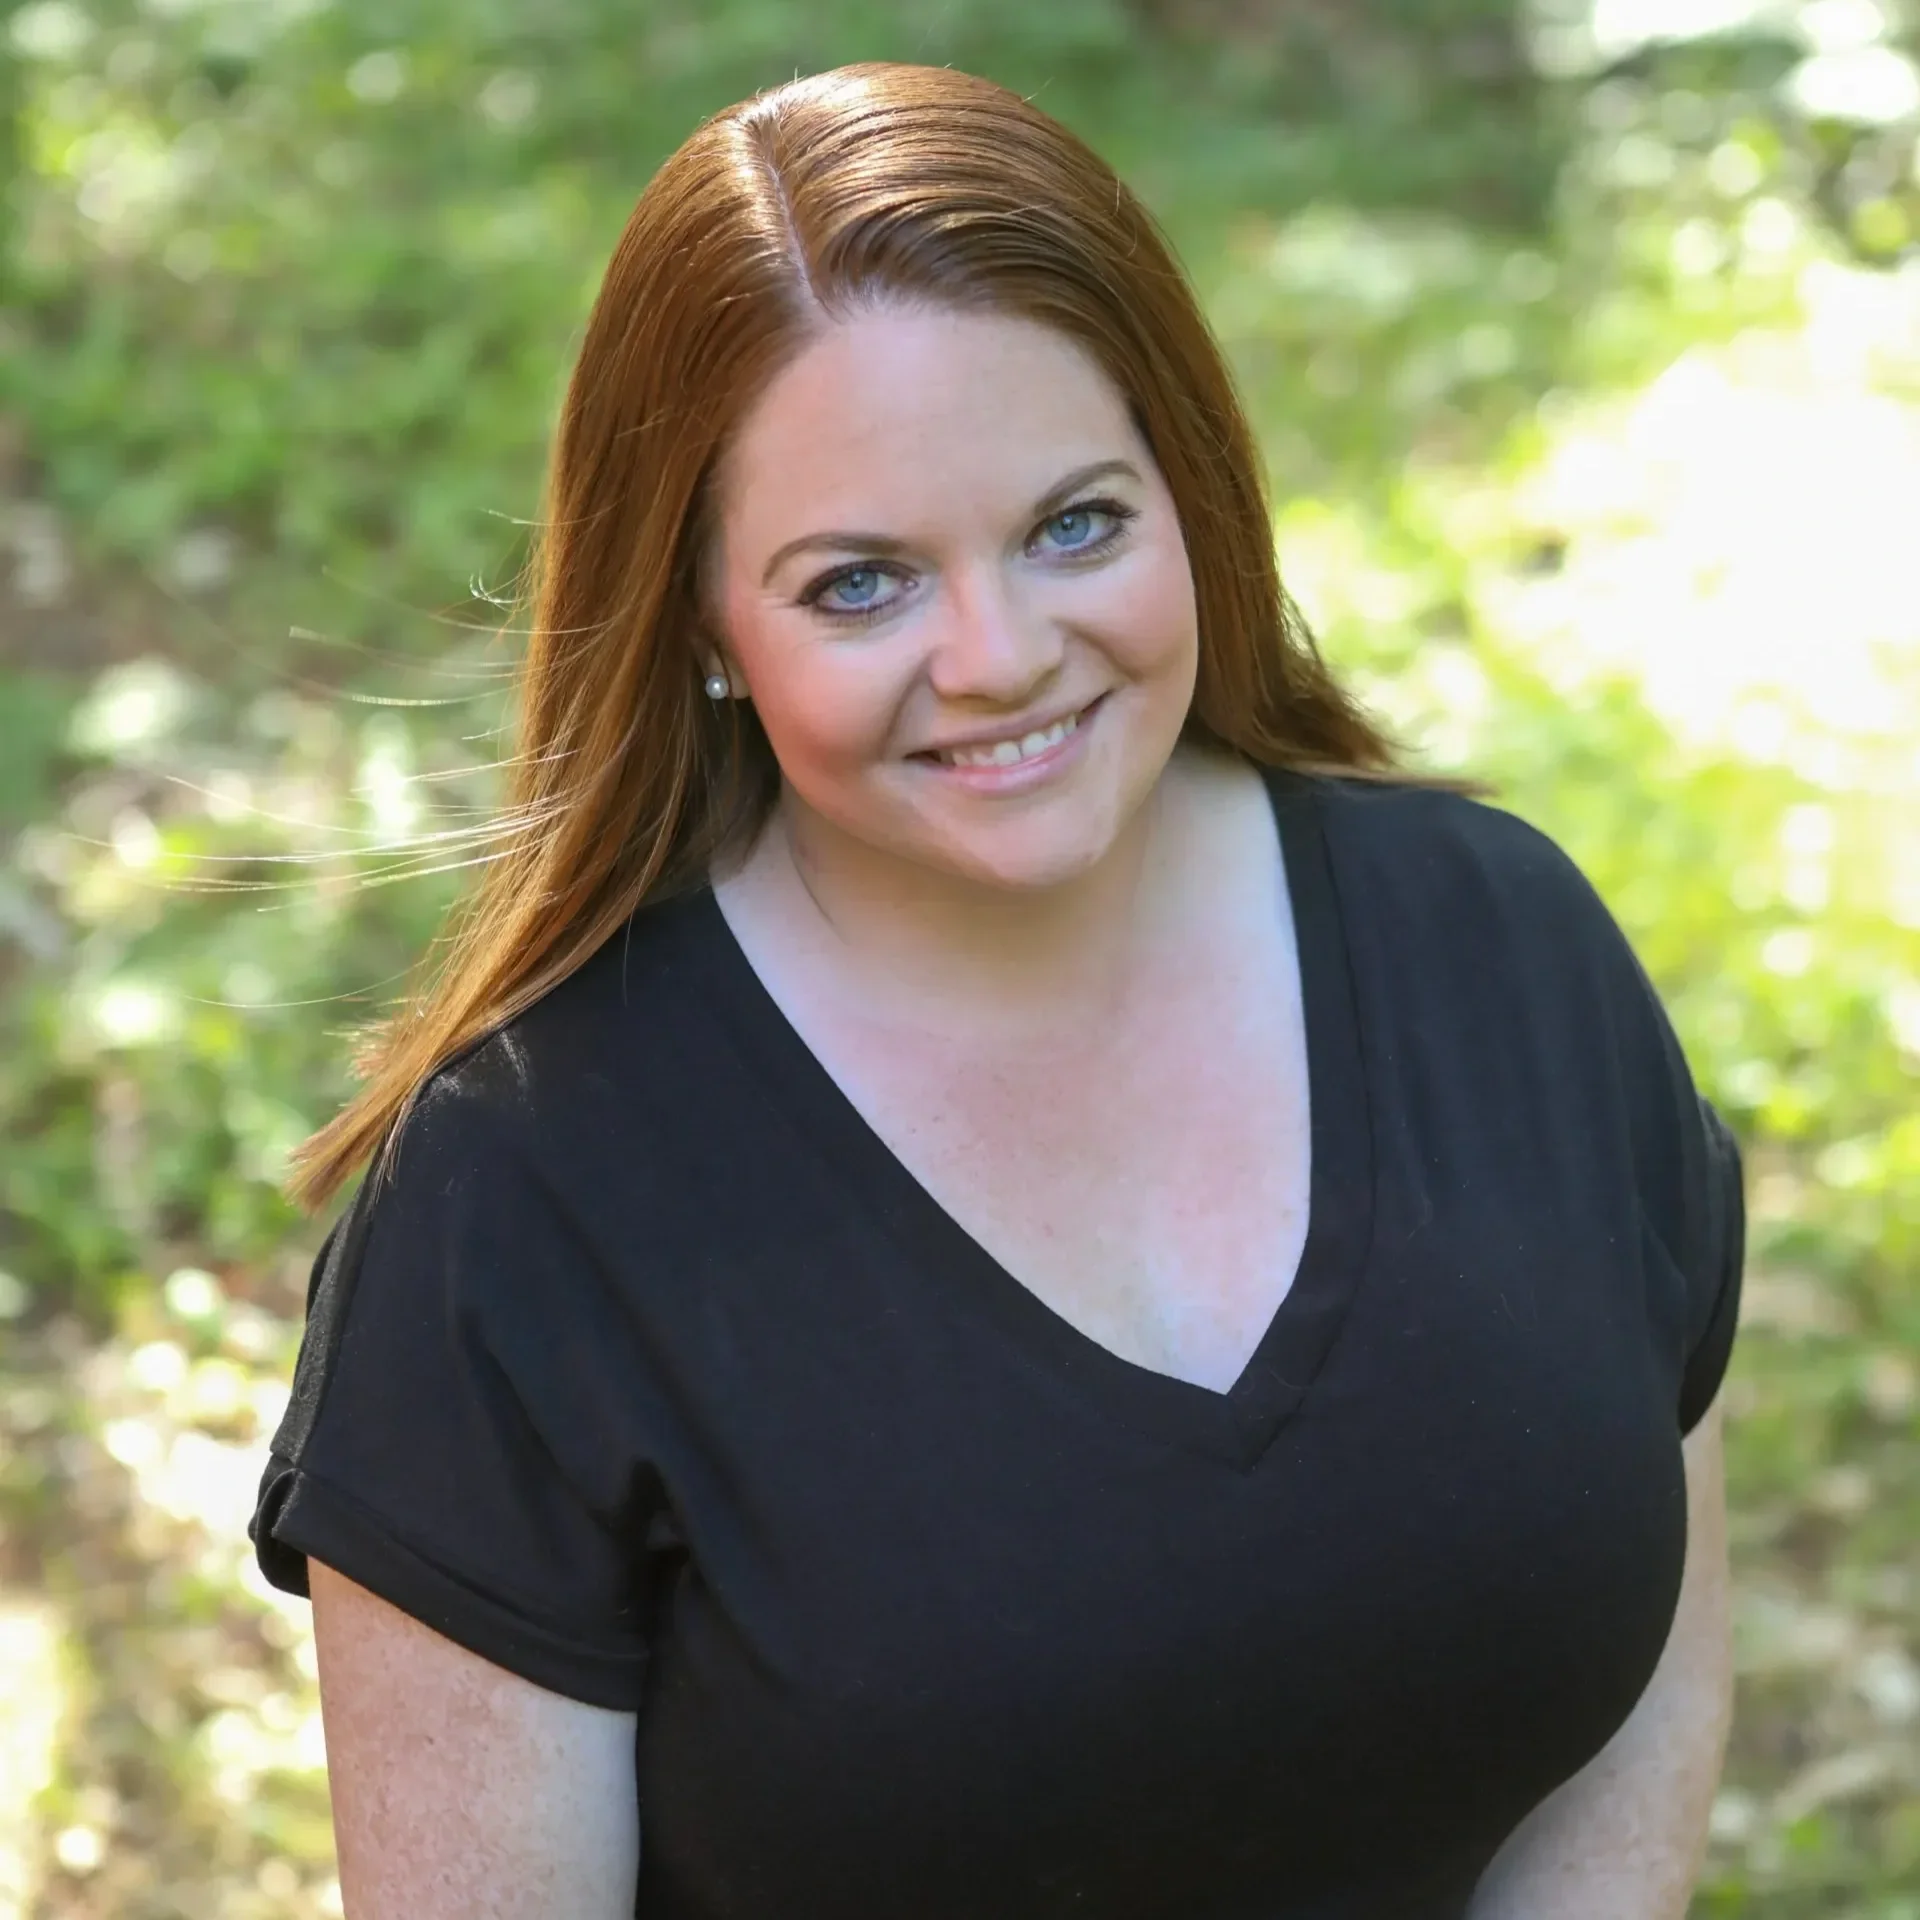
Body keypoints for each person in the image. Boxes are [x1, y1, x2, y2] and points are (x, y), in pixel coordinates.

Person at [249, 60, 1745, 1920]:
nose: (1001, 658)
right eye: (861, 583)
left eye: (1074, 526)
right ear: (706, 625)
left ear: (1185, 490)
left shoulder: (1499, 949)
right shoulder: (528, 1209)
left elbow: (1641, 1673)